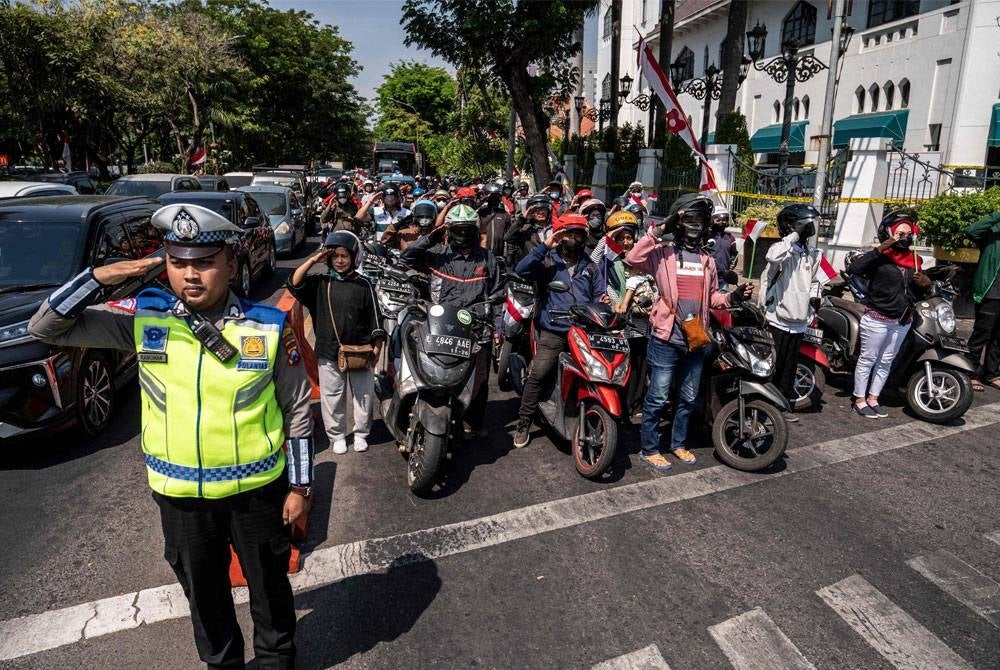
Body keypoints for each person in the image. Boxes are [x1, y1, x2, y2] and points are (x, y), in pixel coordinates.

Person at [28, 204, 314, 668]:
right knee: (205, 601)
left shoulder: (267, 325)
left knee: (271, 593)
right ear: (165, 264)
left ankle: (276, 661)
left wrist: (301, 486)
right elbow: (45, 327)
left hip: (258, 495)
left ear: (231, 263)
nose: (191, 275)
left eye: (204, 262)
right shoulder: (144, 321)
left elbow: (298, 409)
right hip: (180, 497)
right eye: (178, 263)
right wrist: (101, 276)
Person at [626, 193, 751, 471]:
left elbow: (714, 298)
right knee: (657, 397)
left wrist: (734, 298)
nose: (695, 225)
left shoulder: (707, 260)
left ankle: (678, 444)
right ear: (679, 223)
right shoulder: (663, 254)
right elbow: (633, 257)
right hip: (665, 339)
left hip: (695, 340)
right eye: (689, 219)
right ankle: (649, 448)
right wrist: (661, 228)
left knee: (687, 397)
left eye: (699, 220)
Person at [401, 203, 501, 436]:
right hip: (442, 325)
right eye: (457, 230)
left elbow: (498, 293)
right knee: (434, 372)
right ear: (448, 231)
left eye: (467, 230)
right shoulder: (437, 255)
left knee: (480, 380)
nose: (463, 235)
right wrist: (429, 238)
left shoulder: (487, 259)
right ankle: (424, 413)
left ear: (476, 232)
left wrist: (497, 327)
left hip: (478, 328)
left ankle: (473, 423)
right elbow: (406, 260)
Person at [511, 213, 607, 448]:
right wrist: (545, 246)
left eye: (579, 235)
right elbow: (521, 270)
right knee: (539, 373)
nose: (574, 239)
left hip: (584, 332)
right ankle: (524, 422)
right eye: (569, 234)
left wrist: (604, 306)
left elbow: (599, 297)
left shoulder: (591, 266)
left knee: (600, 373)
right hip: (554, 331)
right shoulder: (547, 261)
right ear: (560, 236)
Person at [289, 231, 383, 454]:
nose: (340, 260)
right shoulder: (320, 283)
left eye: (345, 256)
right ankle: (337, 435)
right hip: (329, 350)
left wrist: (377, 344)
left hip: (361, 351)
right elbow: (294, 282)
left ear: (353, 257)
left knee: (364, 395)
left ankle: (361, 433)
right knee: (332, 396)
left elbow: (375, 316)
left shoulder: (364, 284)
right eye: (335, 256)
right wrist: (314, 259)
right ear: (329, 259)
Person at [847, 210, 932, 418]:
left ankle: (874, 398)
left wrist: (926, 284)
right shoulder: (880, 258)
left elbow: (917, 292)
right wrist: (881, 248)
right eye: (899, 234)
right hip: (877, 318)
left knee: (886, 361)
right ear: (890, 234)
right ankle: (859, 399)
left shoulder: (915, 260)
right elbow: (855, 268)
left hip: (902, 321)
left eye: (908, 234)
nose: (905, 238)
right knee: (868, 359)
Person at [757, 204, 826, 422]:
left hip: (799, 320)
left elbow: (816, 280)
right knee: (773, 366)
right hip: (777, 318)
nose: (808, 229)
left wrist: (816, 297)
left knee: (789, 367)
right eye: (802, 224)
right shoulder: (783, 250)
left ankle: (782, 406)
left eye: (809, 225)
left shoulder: (811, 254)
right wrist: (793, 236)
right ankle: (765, 407)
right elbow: (772, 257)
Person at [965, 210, 1000, 391]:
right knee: (982, 334)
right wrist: (997, 215)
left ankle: (991, 373)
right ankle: (970, 373)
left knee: (998, 337)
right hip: (990, 291)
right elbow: (971, 231)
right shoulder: (993, 230)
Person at [505, 194, 551, 267]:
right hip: (533, 270)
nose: (540, 212)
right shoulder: (526, 229)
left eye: (543, 209)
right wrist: (523, 218)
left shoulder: (554, 228)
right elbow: (508, 238)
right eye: (536, 210)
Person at [477, 182, 511, 256]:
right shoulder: (481, 212)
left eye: (497, 196)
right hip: (482, 254)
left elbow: (509, 235)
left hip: (500, 254)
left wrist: (509, 255)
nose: (494, 199)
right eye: (492, 196)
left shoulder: (504, 214)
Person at [708, 205, 738, 289]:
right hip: (709, 274)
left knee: (722, 299)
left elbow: (734, 254)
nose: (721, 222)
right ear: (712, 221)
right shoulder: (707, 236)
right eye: (718, 220)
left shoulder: (730, 237)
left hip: (724, 276)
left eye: (724, 220)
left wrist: (733, 261)